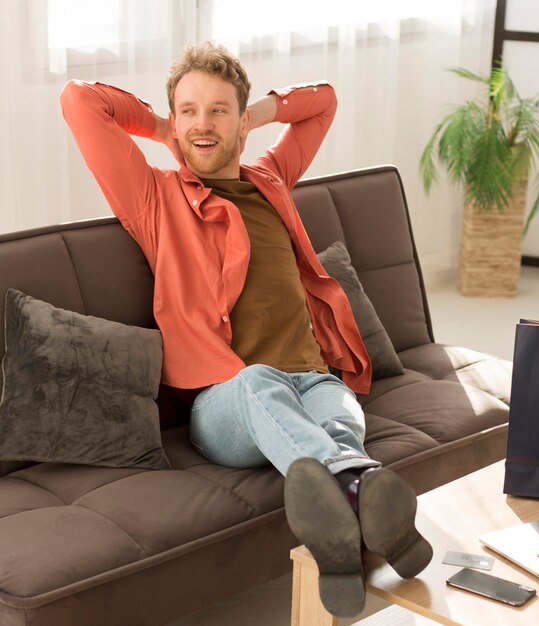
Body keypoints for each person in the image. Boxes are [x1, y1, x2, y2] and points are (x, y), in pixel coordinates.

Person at [61, 41, 432, 617]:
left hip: (314, 382)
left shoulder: (272, 180)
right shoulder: (156, 199)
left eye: (218, 110)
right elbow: (80, 101)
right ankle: (358, 487)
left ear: (243, 121)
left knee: (338, 414)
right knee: (263, 384)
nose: (202, 124)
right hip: (228, 402)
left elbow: (324, 103)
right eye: (189, 110)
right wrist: (167, 128)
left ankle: (337, 535)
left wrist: (255, 114)